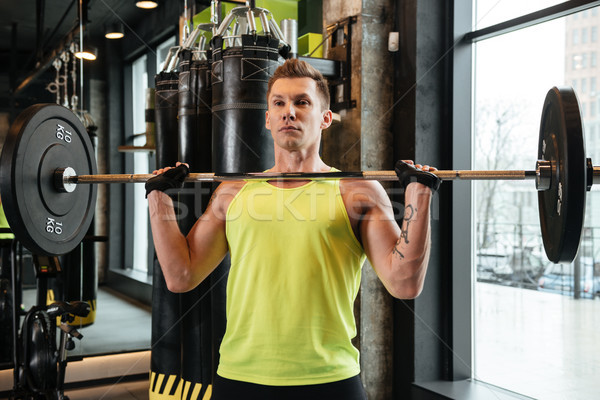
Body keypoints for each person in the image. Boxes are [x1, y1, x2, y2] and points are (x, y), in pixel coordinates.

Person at [146, 59, 441, 399]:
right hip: (241, 377)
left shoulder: (357, 192)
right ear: (268, 119)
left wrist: (419, 193)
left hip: (330, 380)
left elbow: (404, 283)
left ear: (325, 118)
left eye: (302, 102)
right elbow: (181, 275)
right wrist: (159, 198)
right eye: (279, 103)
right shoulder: (232, 192)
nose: (290, 112)